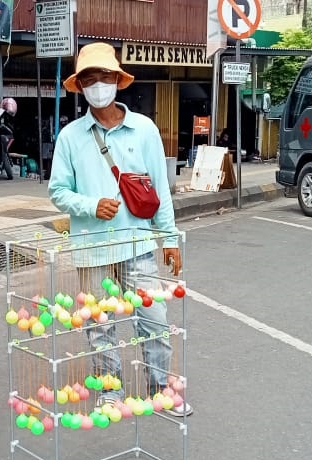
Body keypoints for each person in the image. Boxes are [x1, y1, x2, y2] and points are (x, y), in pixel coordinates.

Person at [48, 42, 191, 417]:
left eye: (104, 77)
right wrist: (90, 205)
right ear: (81, 86)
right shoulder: (70, 137)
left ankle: (160, 387)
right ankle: (109, 390)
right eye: (90, 78)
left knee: (154, 318)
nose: (98, 85)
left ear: (118, 81)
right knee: (100, 325)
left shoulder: (143, 130)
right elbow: (58, 191)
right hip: (91, 248)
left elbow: (160, 189)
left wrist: (169, 240)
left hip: (138, 243)